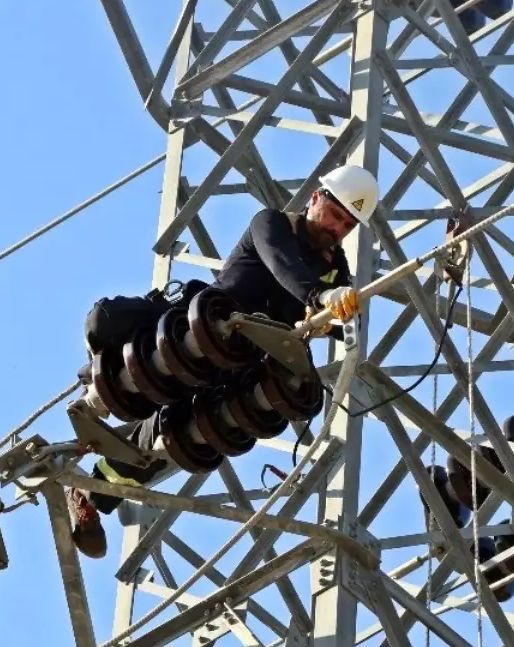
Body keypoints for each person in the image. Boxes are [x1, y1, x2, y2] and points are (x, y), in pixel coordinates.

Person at [67, 166, 380, 559]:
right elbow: (283, 265)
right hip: (199, 334)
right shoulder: (272, 224)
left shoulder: (334, 268)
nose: (338, 230)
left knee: (179, 436)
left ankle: (91, 494)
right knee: (108, 319)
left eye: (349, 226)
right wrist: (320, 297)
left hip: (235, 366)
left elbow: (351, 321)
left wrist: (332, 320)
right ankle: (97, 391)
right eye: (336, 216)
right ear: (316, 198)